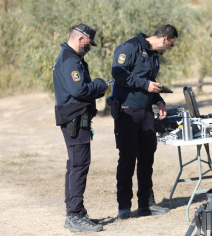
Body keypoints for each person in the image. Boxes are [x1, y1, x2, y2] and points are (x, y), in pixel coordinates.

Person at [111, 24, 177, 219]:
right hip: (127, 111)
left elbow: (151, 82)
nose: (170, 49)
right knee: (127, 159)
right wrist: (145, 85)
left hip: (147, 111)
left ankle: (146, 204)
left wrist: (160, 101)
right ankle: (124, 206)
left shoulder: (154, 55)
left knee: (147, 158)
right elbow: (118, 74)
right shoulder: (129, 47)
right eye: (171, 45)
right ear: (164, 39)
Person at [53, 23, 109, 232]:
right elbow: (78, 90)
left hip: (76, 117)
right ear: (80, 38)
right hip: (74, 119)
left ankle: (76, 211)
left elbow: (82, 90)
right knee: (79, 166)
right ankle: (74, 215)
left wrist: (97, 89)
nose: (89, 47)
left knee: (75, 165)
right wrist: (99, 85)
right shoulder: (69, 60)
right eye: (88, 43)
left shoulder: (71, 58)